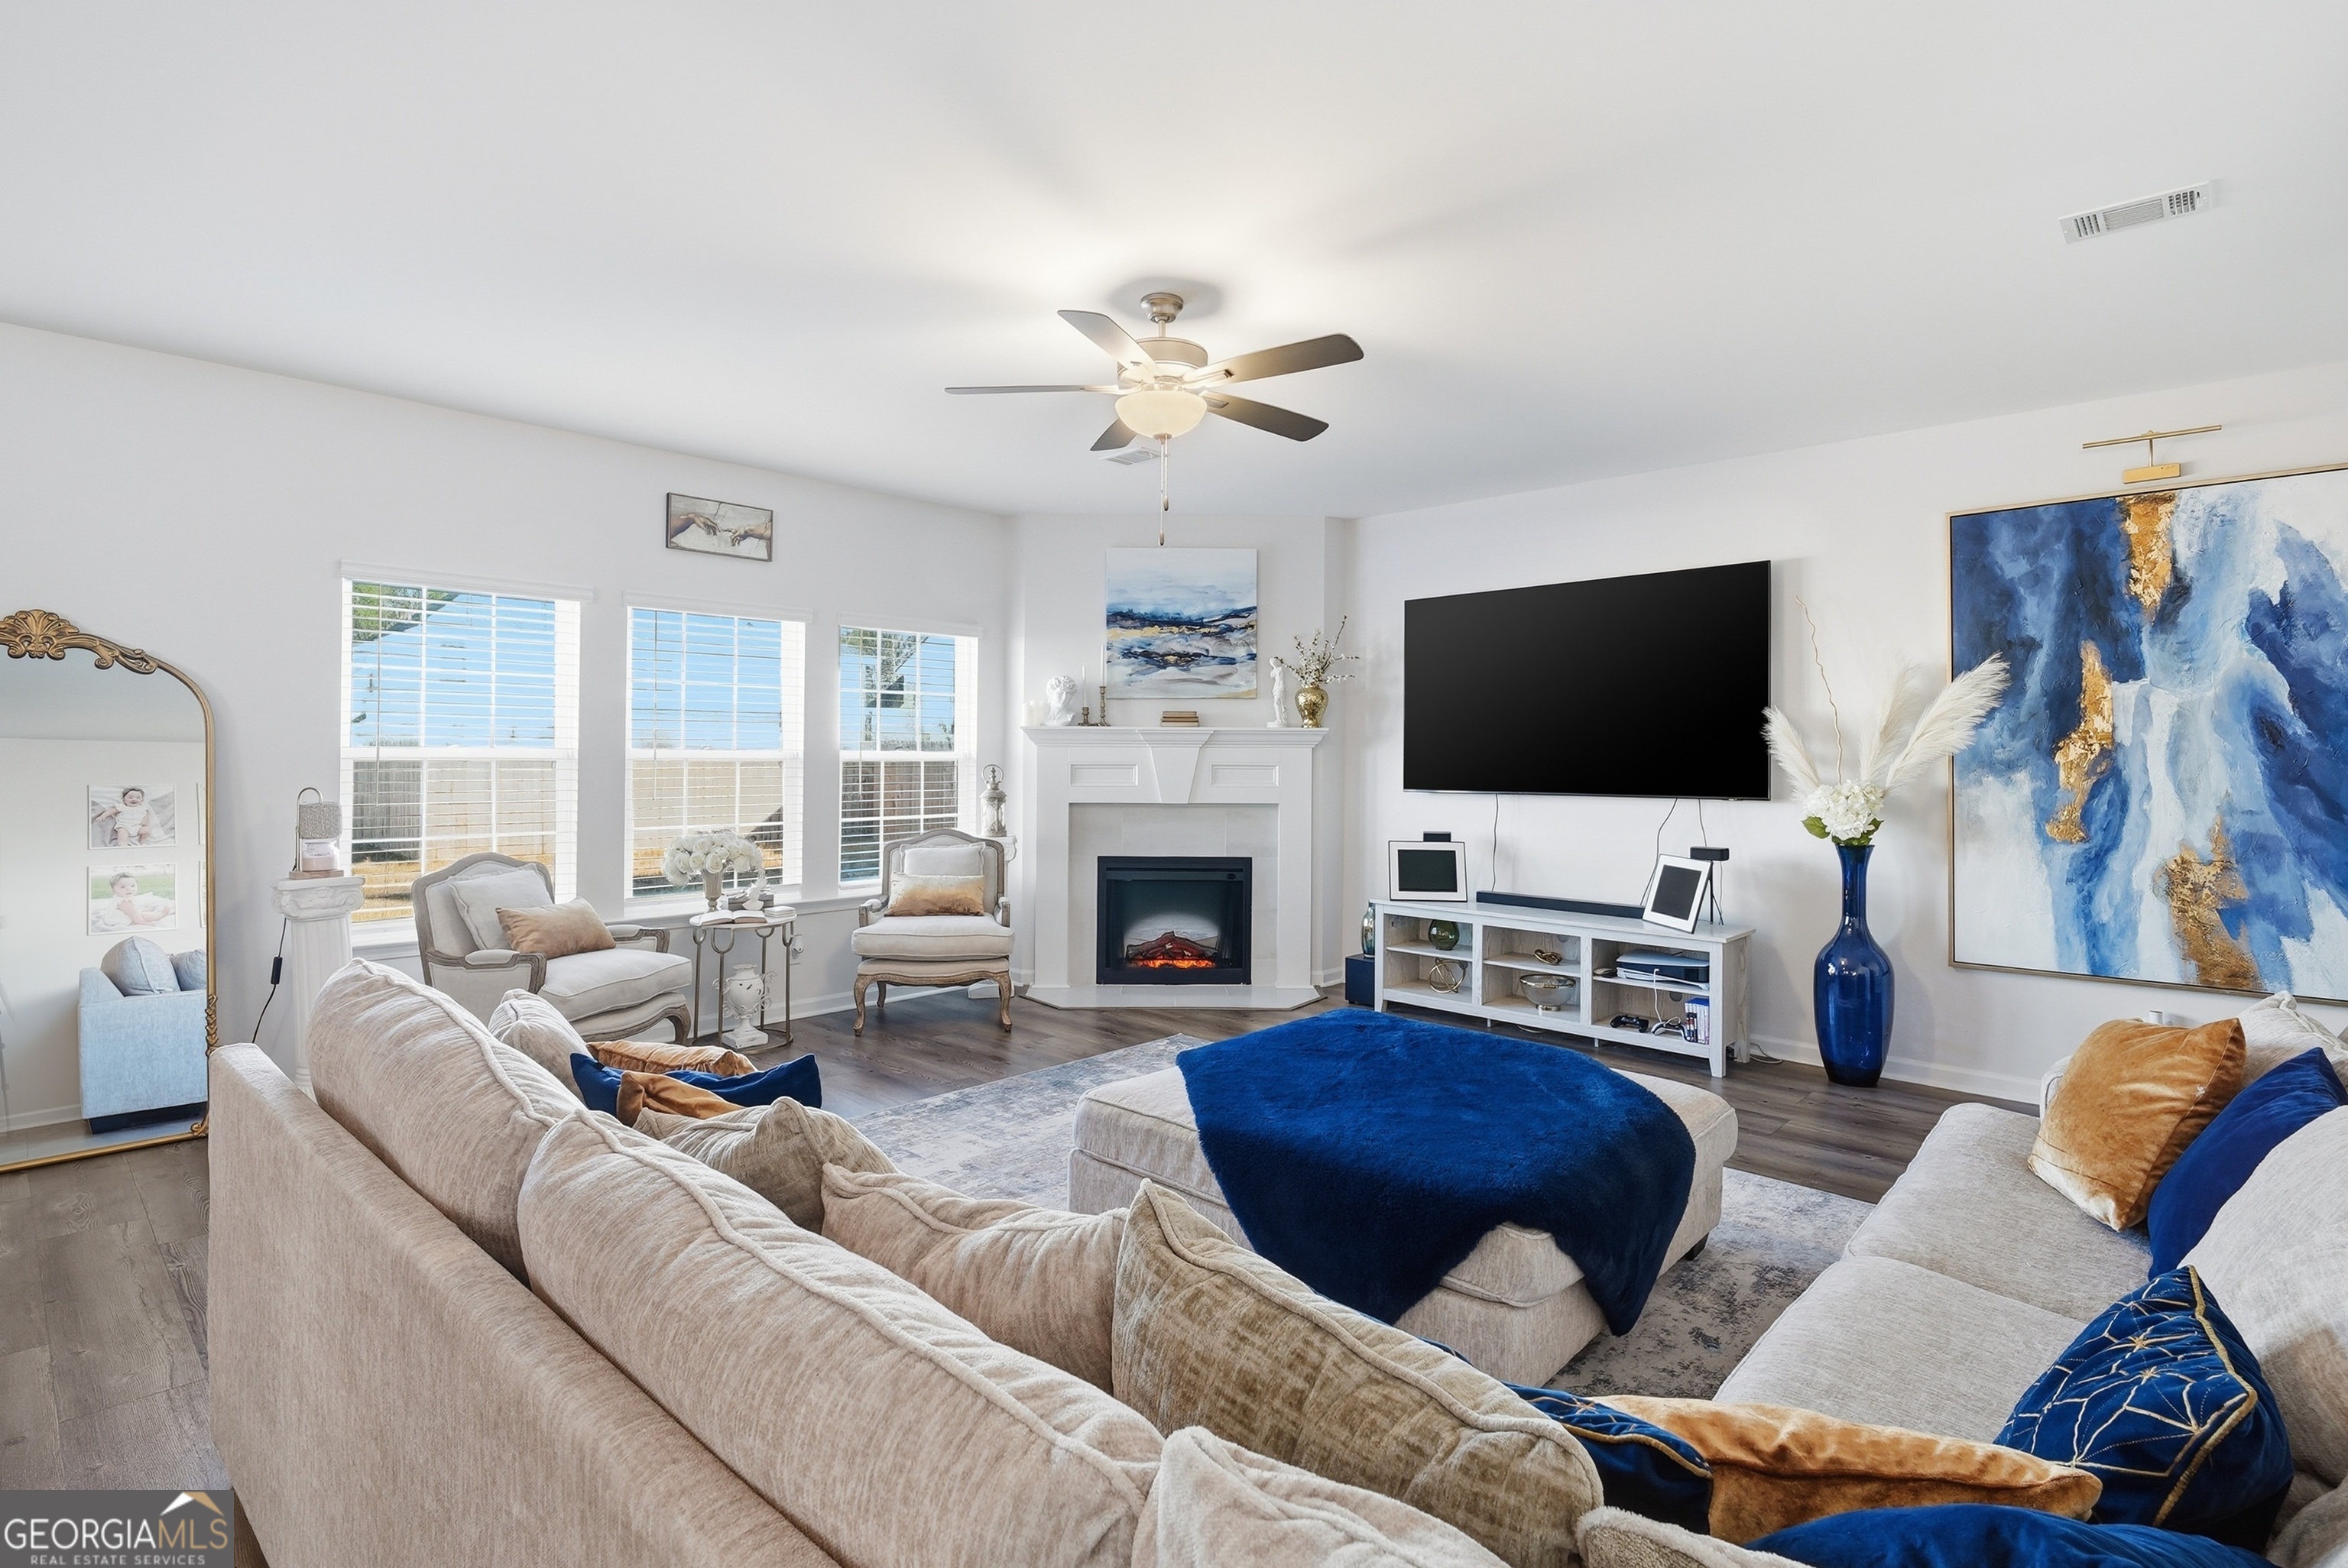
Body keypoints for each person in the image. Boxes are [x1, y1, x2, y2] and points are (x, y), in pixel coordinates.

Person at [93, 870, 174, 931]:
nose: (129, 889)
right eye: (123, 887)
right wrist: (146, 924)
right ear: (113, 890)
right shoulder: (123, 902)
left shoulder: (120, 898)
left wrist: (139, 909)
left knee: (141, 912)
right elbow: (133, 915)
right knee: (144, 916)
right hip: (121, 921)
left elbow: (131, 909)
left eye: (132, 886)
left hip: (113, 918)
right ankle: (162, 914)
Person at [92, 786, 160, 847]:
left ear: (142, 800)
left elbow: (146, 815)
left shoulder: (142, 808)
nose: (134, 799)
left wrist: (145, 821)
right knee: (122, 833)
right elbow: (111, 811)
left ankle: (142, 842)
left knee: (147, 830)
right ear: (124, 800)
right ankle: (123, 846)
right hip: (124, 826)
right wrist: (103, 816)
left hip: (137, 827)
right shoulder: (122, 807)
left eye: (138, 798)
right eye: (130, 797)